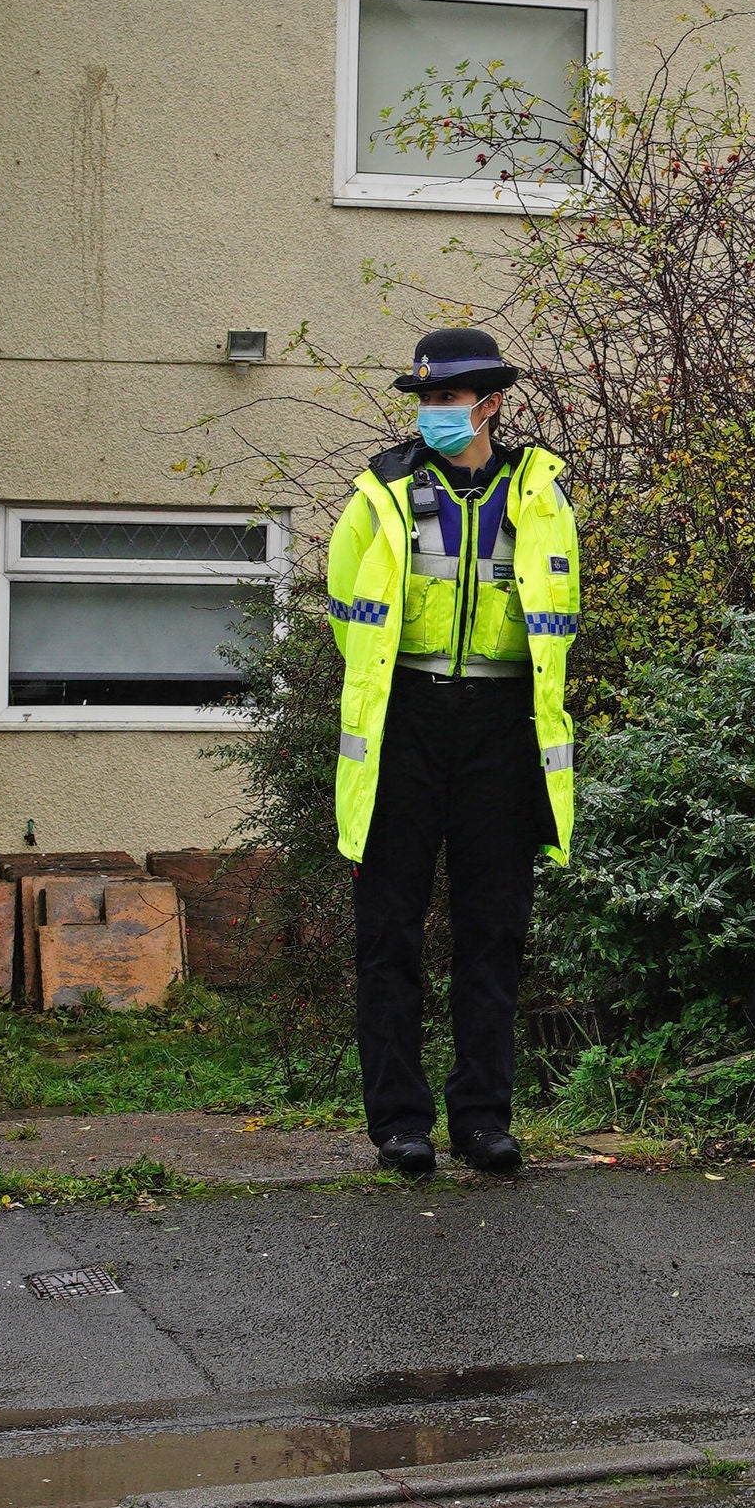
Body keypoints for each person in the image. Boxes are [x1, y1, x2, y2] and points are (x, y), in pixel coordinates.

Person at [326, 328, 580, 1176]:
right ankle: (400, 1124)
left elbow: (558, 626)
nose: (433, 411)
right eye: (425, 399)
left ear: (492, 403)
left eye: (447, 398)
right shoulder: (381, 497)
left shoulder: (541, 496)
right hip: (405, 721)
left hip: (503, 730)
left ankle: (482, 1118)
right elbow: (347, 618)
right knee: (388, 935)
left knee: (493, 932)